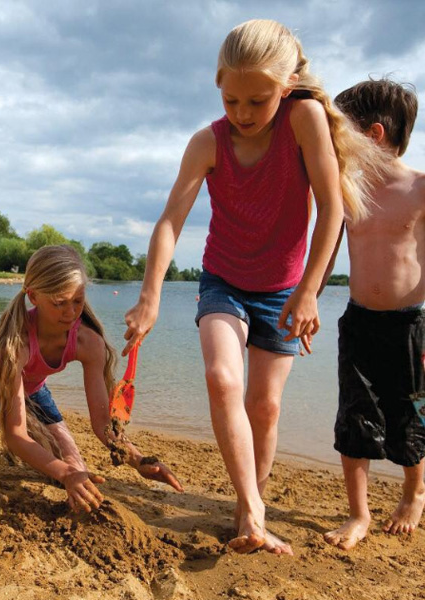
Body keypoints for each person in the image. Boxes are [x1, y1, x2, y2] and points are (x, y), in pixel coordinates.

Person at [122, 20, 388, 555]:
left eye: (257, 101)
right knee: (222, 378)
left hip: (283, 290)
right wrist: (150, 295)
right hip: (223, 280)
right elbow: (171, 220)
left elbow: (331, 209)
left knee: (264, 406)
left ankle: (253, 502)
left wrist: (309, 291)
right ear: (218, 84)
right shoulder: (207, 143)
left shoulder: (304, 119)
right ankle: (252, 508)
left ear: (287, 87)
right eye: (231, 100)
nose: (242, 113)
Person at [0, 245, 183, 512]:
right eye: (59, 303)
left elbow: (103, 422)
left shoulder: (88, 341)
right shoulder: (16, 343)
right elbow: (16, 436)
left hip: (33, 392)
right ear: (34, 296)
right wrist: (64, 474)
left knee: (77, 470)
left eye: (77, 301)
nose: (70, 313)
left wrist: (138, 460)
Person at [322, 78, 425, 550]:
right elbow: (327, 250)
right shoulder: (349, 190)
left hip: (409, 325)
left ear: (373, 135)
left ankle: (413, 493)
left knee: (410, 412)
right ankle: (358, 513)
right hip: (359, 320)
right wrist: (308, 297)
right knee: (354, 414)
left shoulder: (419, 189)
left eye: (341, 133)